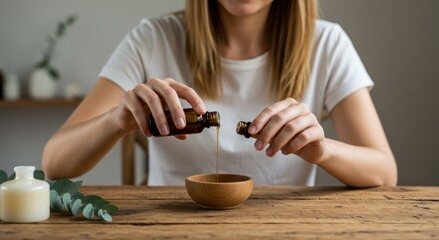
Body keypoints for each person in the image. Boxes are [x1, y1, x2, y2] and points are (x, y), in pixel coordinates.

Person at [42, 0, 397, 187]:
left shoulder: (327, 44)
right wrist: (116, 119)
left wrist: (323, 149)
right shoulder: (153, 39)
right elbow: (55, 164)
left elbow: (384, 173)